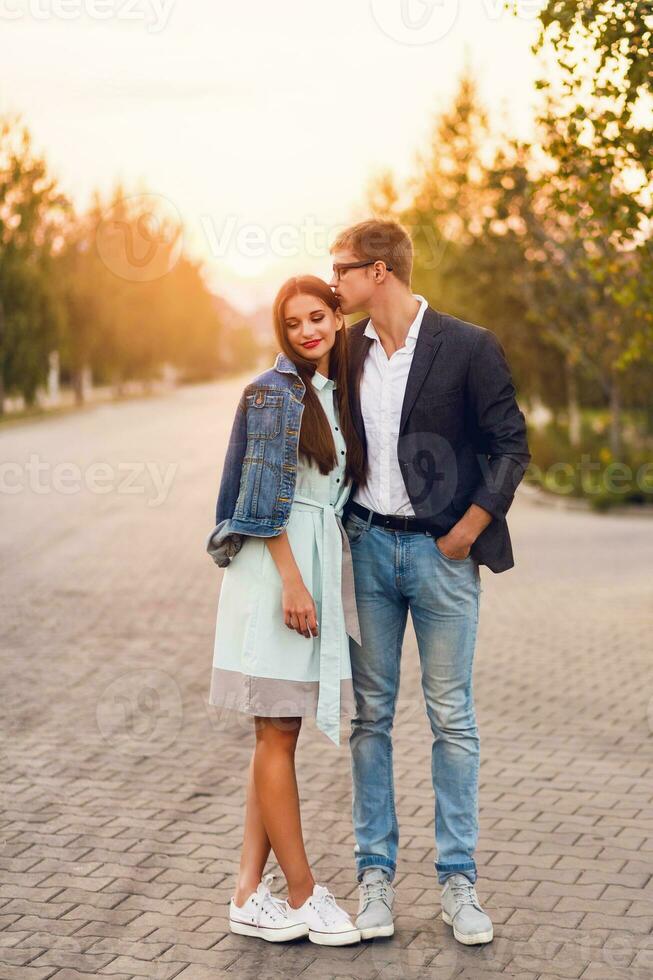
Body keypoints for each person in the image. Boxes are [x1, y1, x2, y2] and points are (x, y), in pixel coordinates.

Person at [329, 219, 531, 945]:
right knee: (370, 719)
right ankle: (374, 879)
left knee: (452, 718)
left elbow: (511, 445)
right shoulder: (343, 350)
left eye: (342, 270)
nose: (334, 283)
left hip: (440, 557)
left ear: (378, 271)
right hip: (366, 551)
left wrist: (467, 531)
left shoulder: (468, 345)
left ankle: (457, 883)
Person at [205, 275, 367, 947]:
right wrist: (295, 585)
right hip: (276, 573)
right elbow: (262, 501)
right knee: (275, 732)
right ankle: (303, 892)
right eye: (293, 322)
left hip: (308, 565)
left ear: (336, 315)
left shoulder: (333, 393)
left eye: (318, 316)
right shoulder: (274, 394)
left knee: (277, 732)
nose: (306, 331)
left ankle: (247, 892)